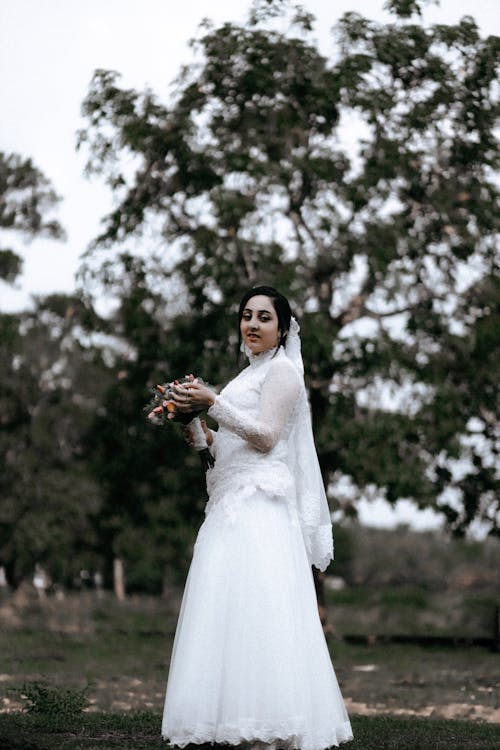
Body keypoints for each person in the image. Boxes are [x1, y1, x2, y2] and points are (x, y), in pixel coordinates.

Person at [162, 286, 353, 749]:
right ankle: (232, 722)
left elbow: (267, 438)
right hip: (229, 503)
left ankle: (270, 725)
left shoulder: (283, 372)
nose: (252, 324)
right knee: (226, 612)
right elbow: (219, 447)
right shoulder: (244, 377)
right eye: (246, 315)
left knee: (260, 612)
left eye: (264, 317)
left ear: (282, 328)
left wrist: (211, 402)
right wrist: (189, 419)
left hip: (260, 506)